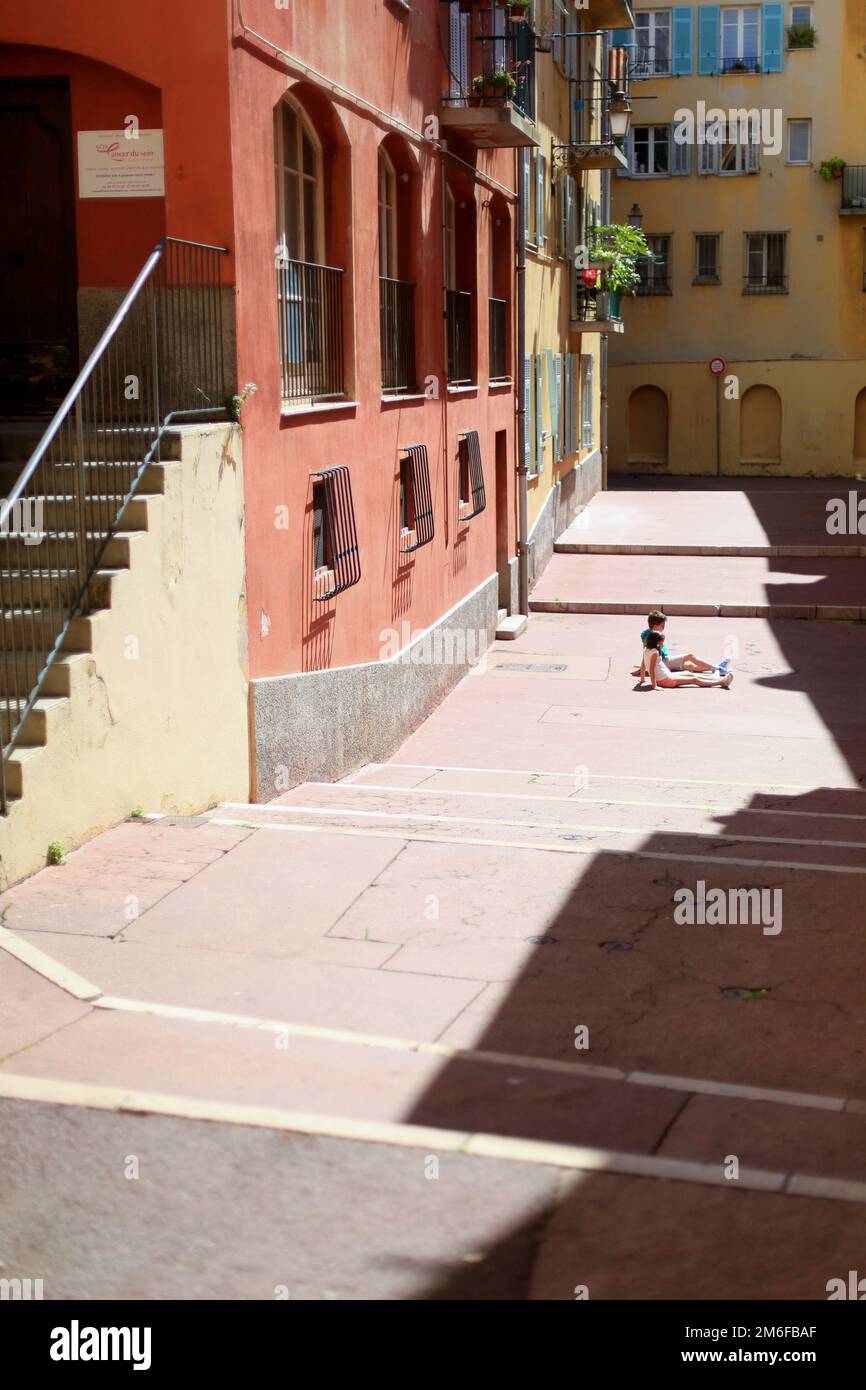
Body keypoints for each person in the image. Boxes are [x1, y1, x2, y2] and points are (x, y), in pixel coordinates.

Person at [635, 609, 730, 682]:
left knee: (689, 659)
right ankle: (718, 668)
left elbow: (645, 652)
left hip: (666, 659)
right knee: (689, 665)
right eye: (662, 625)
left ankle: (717, 667)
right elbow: (647, 653)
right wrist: (644, 669)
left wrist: (643, 669)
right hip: (663, 663)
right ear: (655, 626)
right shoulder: (653, 636)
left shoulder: (645, 633)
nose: (664, 627)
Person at [643, 631, 733, 689]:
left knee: (689, 673)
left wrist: (642, 679)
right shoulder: (654, 652)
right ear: (656, 642)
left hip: (666, 676)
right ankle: (721, 682)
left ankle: (712, 678)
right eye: (661, 643)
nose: (662, 645)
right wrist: (654, 686)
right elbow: (651, 669)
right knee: (694, 679)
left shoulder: (647, 650)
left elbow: (643, 665)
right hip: (666, 680)